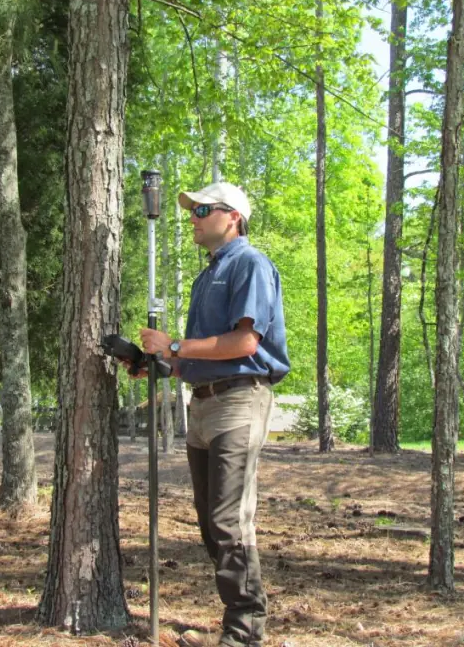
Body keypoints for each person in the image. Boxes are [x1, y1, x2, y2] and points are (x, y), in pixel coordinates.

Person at [135, 181, 290, 647]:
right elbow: (201, 353)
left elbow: (245, 343)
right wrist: (160, 364)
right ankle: (236, 621)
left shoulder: (250, 264)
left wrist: (175, 345)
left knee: (228, 519)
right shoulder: (207, 276)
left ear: (233, 217)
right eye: (192, 209)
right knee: (209, 519)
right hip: (201, 402)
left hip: (239, 401)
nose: (193, 217)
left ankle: (246, 633)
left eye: (203, 209)